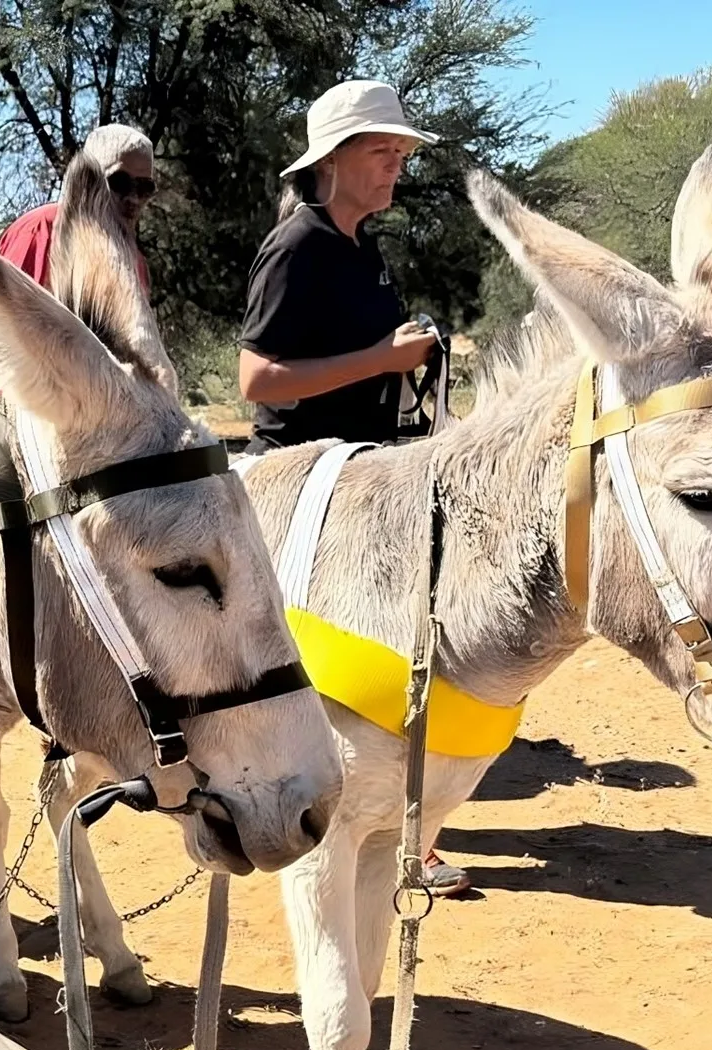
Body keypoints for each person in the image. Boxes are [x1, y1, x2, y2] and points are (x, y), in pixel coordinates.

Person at [239, 78, 470, 897]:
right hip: (304, 482)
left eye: (401, 154)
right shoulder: (297, 245)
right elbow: (258, 379)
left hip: (366, 472)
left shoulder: (360, 244)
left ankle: (408, 826)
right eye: (382, 151)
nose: (395, 168)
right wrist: (382, 359)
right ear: (332, 159)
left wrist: (411, 353)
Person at [0, 122, 156, 294]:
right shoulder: (41, 231)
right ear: (88, 180)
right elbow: (3, 315)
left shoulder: (135, 265)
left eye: (144, 187)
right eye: (119, 182)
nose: (133, 198)